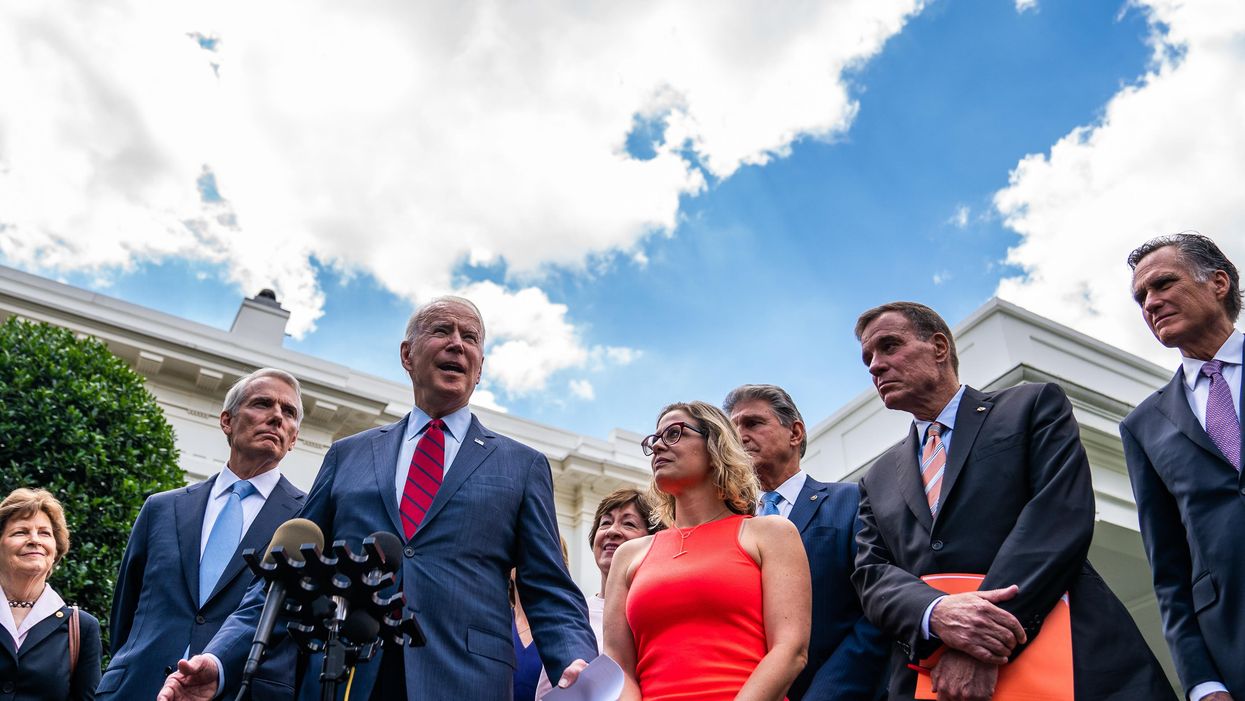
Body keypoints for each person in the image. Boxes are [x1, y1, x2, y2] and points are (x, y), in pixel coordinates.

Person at [159, 296, 596, 701]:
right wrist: (219, 660)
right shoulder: (349, 454)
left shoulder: (521, 466)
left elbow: (549, 588)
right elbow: (289, 576)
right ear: (408, 355)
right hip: (346, 674)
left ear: (480, 368)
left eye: (471, 338)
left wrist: (579, 663)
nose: (458, 345)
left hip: (464, 679)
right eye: (442, 331)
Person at [852, 301, 1172, 701]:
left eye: (889, 346)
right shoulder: (876, 478)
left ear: (938, 347)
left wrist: (984, 641)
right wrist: (937, 614)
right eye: (868, 358)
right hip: (933, 678)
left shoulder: (1032, 406)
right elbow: (871, 574)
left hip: (1071, 655)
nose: (875, 366)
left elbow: (1058, 515)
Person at [97, 367, 307, 700]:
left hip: (239, 691)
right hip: (136, 688)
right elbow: (125, 611)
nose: (277, 417)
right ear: (227, 421)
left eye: (289, 412)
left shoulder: (307, 518)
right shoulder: (161, 508)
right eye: (263, 404)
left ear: (294, 438)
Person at [604, 401, 811, 701]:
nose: (659, 446)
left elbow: (790, 650)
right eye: (654, 440)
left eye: (674, 433)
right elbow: (618, 667)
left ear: (716, 445)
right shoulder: (629, 555)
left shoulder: (771, 534)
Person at [1122, 233, 1245, 701]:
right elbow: (1169, 571)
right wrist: (1202, 682)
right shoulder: (1143, 426)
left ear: (1217, 283)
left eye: (1163, 284)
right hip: (1233, 650)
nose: (1151, 303)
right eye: (1141, 298)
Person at [725, 384, 889, 701]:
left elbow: (874, 609)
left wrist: (827, 693)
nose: (741, 437)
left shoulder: (850, 501)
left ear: (795, 432)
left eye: (753, 423)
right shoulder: (731, 526)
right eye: (733, 431)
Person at [0, 487, 101, 700]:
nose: (35, 540)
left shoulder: (82, 628)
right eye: (21, 532)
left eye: (44, 533)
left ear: (55, 550)